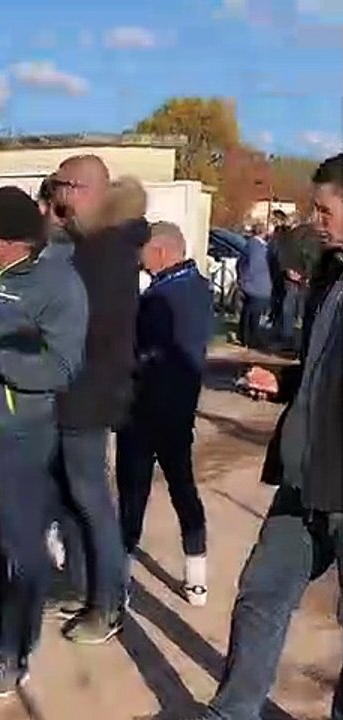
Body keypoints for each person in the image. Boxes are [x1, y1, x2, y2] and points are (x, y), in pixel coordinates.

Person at [201, 154, 343, 720]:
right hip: (303, 474)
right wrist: (282, 380)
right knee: (261, 593)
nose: (317, 219)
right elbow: (320, 366)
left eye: (326, 208)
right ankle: (233, 711)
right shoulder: (330, 273)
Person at [0, 187, 88, 696]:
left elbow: (61, 368)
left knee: (21, 548)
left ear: (14, 242)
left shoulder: (59, 286)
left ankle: (15, 650)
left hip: (21, 435)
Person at [47, 157, 144, 645]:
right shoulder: (95, 244)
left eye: (62, 188)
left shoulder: (105, 251)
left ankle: (108, 603)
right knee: (71, 497)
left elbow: (82, 325)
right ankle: (84, 588)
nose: (57, 199)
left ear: (81, 190)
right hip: (75, 390)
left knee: (90, 500)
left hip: (86, 394)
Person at [116, 221, 212, 606]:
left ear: (159, 251)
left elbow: (139, 353)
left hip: (144, 409)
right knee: (183, 489)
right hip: (180, 410)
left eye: (142, 251)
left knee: (132, 495)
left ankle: (117, 577)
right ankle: (196, 575)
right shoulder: (199, 288)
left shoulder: (161, 298)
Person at [273, 222, 321, 350]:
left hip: (295, 279)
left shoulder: (291, 241)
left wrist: (291, 272)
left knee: (291, 309)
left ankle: (290, 339)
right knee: (300, 311)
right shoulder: (311, 242)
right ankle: (295, 340)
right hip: (302, 280)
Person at [236, 228, 272, 350]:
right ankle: (251, 339)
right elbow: (252, 265)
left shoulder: (252, 245)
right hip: (257, 285)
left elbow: (242, 263)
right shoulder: (258, 246)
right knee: (253, 313)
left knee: (248, 311)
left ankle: (245, 337)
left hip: (253, 284)